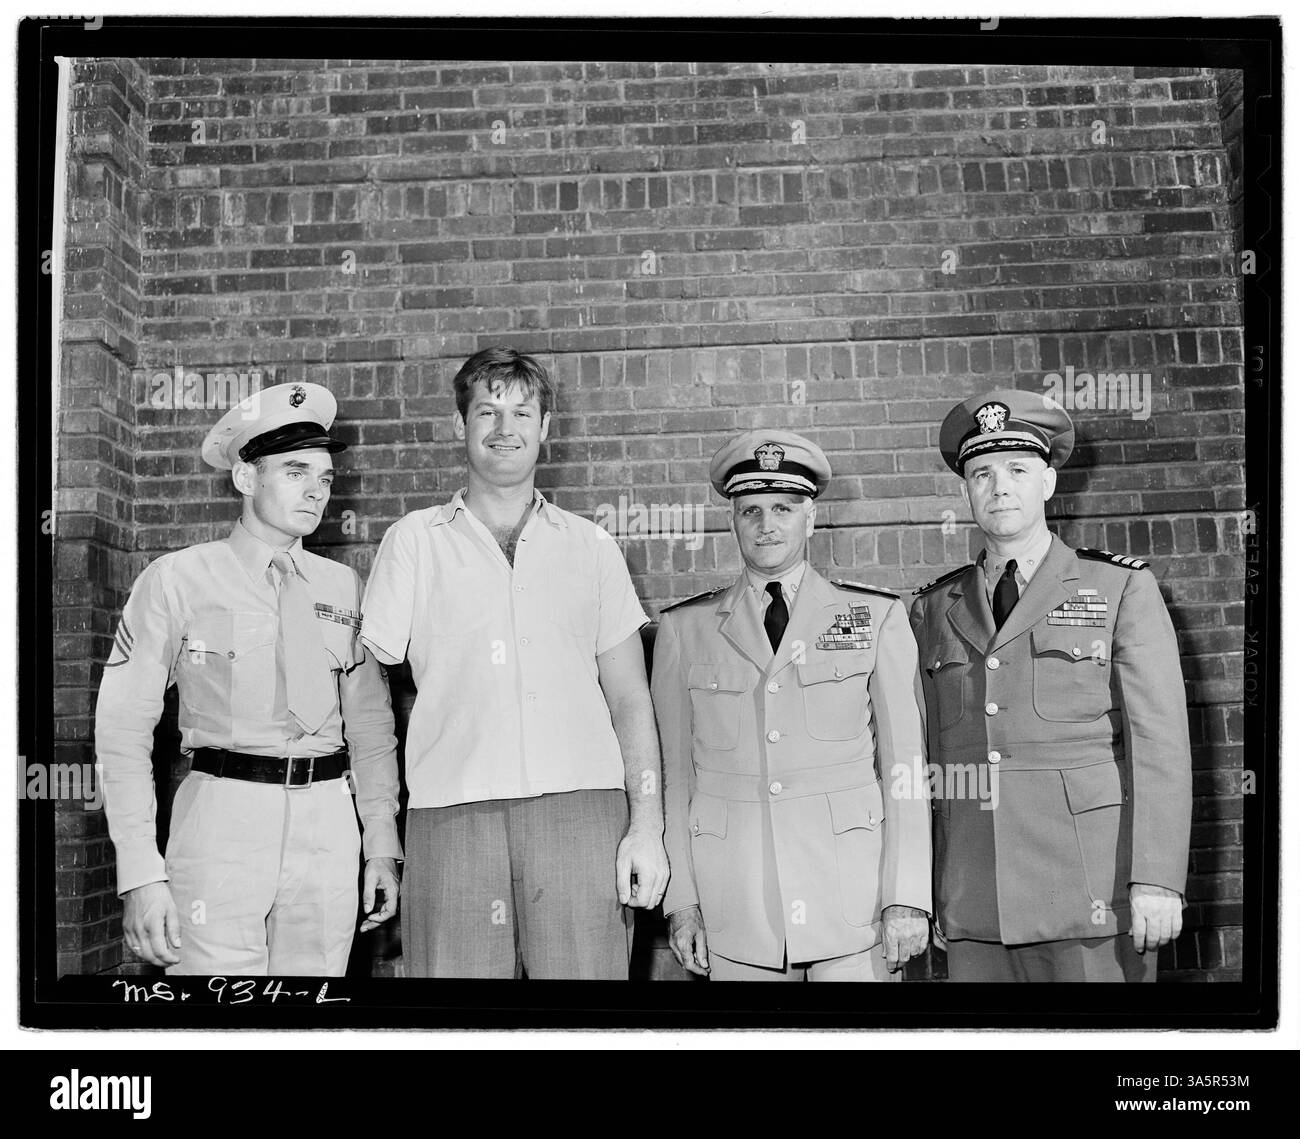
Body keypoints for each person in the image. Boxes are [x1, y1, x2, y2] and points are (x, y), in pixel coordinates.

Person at [359, 347, 669, 979]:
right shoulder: (412, 542)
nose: (505, 428)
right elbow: (367, 697)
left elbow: (631, 699)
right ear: (459, 426)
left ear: (545, 428)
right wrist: (380, 834)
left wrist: (648, 827)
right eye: (487, 411)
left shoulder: (593, 547)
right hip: (452, 814)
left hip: (582, 811)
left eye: (521, 412)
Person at [95, 382, 402, 976]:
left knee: (312, 1021)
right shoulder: (178, 579)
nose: (316, 490)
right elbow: (121, 732)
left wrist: (381, 845)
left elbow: (370, 729)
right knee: (215, 1019)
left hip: (329, 827)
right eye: (294, 472)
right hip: (223, 822)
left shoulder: (344, 588)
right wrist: (139, 871)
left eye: (325, 478)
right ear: (244, 479)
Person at [908, 389, 1192, 982]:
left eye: (1017, 470)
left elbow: (1159, 743)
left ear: (1048, 484)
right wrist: (925, 887)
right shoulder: (934, 607)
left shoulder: (1117, 588)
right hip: (973, 900)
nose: (999, 486)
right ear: (966, 491)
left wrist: (1158, 878)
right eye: (981, 473)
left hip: (1092, 892)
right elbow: (925, 761)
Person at [653, 429, 931, 981]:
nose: (766, 524)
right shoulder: (685, 629)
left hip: (855, 905)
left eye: (783, 508)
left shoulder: (875, 617)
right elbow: (675, 779)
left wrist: (906, 895)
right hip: (735, 908)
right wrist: (683, 901)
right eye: (750, 510)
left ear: (810, 518)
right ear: (731, 521)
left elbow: (904, 771)